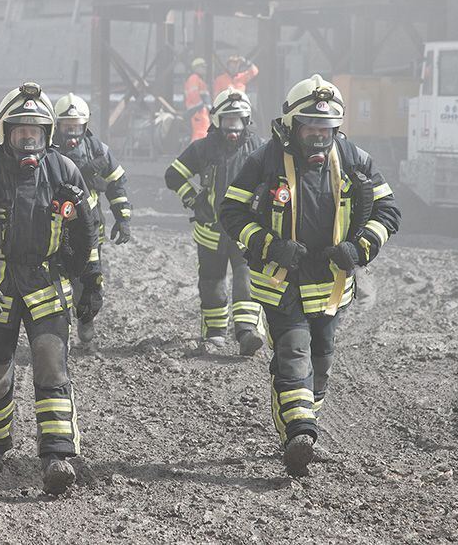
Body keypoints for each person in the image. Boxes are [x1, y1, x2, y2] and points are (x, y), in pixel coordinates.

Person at [218, 74, 401, 476]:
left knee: (321, 359)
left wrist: (359, 248)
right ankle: (302, 432)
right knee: (294, 351)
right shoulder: (264, 160)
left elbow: (389, 211)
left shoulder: (355, 160)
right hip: (281, 282)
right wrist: (269, 245)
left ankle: (299, 429)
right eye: (311, 128)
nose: (319, 138)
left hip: (332, 286)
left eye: (327, 129)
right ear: (291, 125)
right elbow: (230, 211)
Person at [0, 82, 103, 495]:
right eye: (21, 132)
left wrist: (92, 281)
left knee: (52, 368)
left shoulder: (65, 171)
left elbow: (87, 235)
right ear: (6, 133)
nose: (29, 141)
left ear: (47, 135)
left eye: (36, 132)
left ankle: (58, 455)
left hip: (47, 286)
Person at [165, 88, 266, 354]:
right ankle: (215, 335)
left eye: (238, 121)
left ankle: (247, 333)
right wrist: (194, 199)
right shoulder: (203, 148)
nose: (233, 128)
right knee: (212, 283)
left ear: (247, 121)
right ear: (217, 121)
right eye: (227, 122)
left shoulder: (260, 149)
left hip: (246, 231)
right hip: (210, 231)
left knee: (247, 280)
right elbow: (173, 176)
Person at [52, 92, 132, 344]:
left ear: (85, 125)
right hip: (53, 229)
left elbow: (117, 183)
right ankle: (55, 333)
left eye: (76, 127)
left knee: (90, 280)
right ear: (57, 126)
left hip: (89, 229)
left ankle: (86, 321)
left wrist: (123, 218)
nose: (71, 134)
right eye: (66, 127)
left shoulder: (99, 151)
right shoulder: (47, 148)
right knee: (56, 279)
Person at [184, 57, 212, 142]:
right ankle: (198, 152)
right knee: (201, 133)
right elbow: (193, 93)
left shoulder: (198, 79)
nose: (205, 69)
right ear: (196, 68)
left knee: (202, 132)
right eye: (202, 67)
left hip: (200, 111)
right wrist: (201, 106)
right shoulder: (194, 78)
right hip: (198, 111)